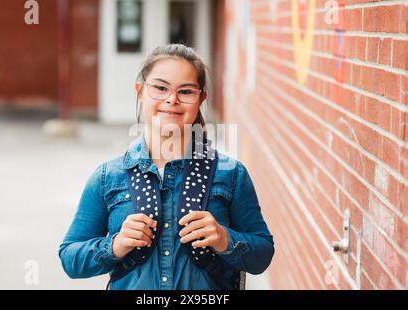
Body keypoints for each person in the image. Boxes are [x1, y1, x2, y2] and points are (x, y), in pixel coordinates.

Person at [58, 43, 274, 290]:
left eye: (186, 91)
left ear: (201, 98)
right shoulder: (108, 177)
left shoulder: (232, 175)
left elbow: (262, 255)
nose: (171, 100)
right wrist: (115, 245)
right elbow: (70, 259)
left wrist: (225, 239)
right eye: (160, 88)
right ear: (141, 91)